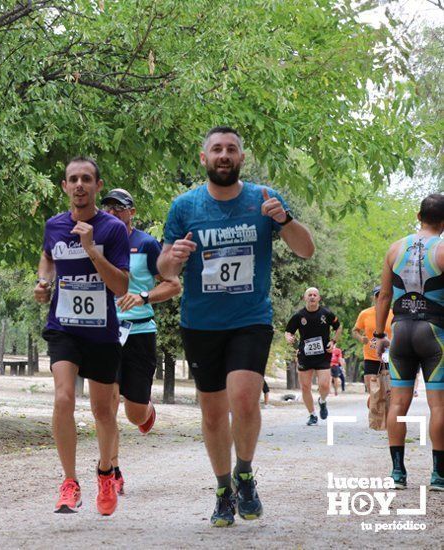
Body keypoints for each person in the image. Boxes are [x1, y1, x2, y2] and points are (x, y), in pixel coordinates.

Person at [157, 126, 314, 526]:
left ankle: (245, 474)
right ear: (203, 157)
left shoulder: (263, 199)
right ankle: (224, 489)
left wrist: (285, 218)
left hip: (250, 319)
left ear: (241, 158)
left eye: (231, 149)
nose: (223, 155)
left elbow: (305, 249)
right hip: (201, 323)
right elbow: (163, 267)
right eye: (216, 149)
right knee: (212, 415)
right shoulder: (184, 206)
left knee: (244, 400)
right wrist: (173, 256)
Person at [35, 157, 131, 515]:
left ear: (97, 186)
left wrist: (91, 250)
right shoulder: (54, 226)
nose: (79, 185)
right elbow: (48, 258)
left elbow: (121, 285)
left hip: (102, 332)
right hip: (64, 327)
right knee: (63, 398)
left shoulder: (112, 230)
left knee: (103, 411)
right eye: (73, 179)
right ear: (64, 186)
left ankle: (105, 472)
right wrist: (43, 282)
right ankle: (69, 482)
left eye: (86, 179)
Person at [100, 187, 182, 495]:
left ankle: (146, 410)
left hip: (139, 333)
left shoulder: (146, 244)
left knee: (133, 414)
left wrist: (143, 295)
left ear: (132, 212)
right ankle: (111, 469)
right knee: (106, 407)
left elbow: (174, 285)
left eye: (119, 207)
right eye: (107, 207)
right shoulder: (98, 244)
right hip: (105, 334)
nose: (112, 212)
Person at [374, 193, 444, 491]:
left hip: (400, 331)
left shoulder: (395, 249)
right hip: (434, 333)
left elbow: (385, 296)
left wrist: (379, 335)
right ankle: (439, 475)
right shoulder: (441, 250)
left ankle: (398, 473)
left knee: (398, 404)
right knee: (438, 405)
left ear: (418, 216)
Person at [284, 288, 342, 425]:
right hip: (305, 355)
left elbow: (338, 327)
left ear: (319, 298)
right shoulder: (299, 316)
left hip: (323, 355)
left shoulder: (326, 313)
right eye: (309, 295)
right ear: (305, 298)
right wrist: (288, 337)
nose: (312, 297)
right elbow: (288, 331)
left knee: (324, 385)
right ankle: (312, 415)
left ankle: (322, 401)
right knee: (305, 387)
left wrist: (333, 342)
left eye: (314, 295)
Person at [352, 286, 393, 392]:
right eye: (378, 295)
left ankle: (387, 409)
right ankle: (374, 409)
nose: (381, 298)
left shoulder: (393, 314)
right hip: (370, 357)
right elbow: (354, 331)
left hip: (388, 357)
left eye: (383, 296)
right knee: (372, 392)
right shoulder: (365, 314)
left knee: (388, 392)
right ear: (374, 298)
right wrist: (361, 338)